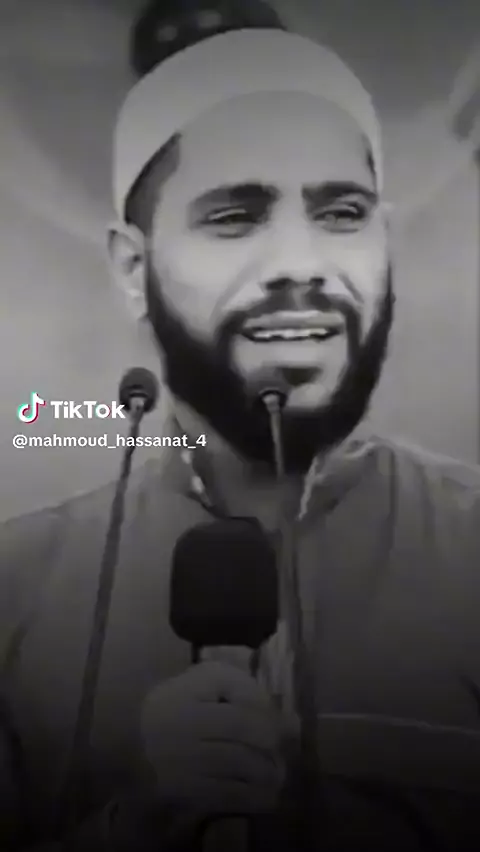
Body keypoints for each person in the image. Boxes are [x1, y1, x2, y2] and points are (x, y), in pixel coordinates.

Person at [1, 4, 480, 851]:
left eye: (342, 213)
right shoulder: (16, 594)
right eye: (234, 217)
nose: (301, 264)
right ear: (134, 269)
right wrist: (137, 825)